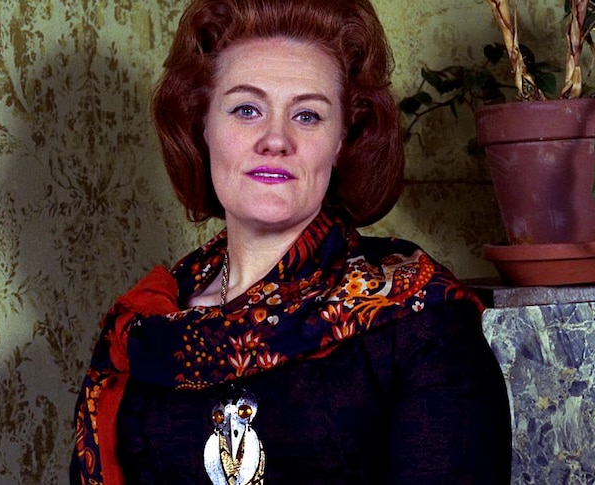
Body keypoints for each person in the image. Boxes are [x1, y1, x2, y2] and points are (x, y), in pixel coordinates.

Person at [70, 0, 511, 483]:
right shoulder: (144, 325)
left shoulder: (419, 317)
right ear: (202, 125)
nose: (275, 139)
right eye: (246, 109)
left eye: (307, 116)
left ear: (343, 138)